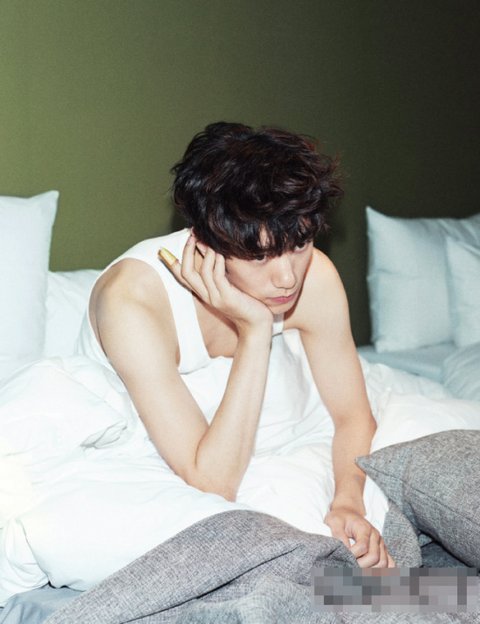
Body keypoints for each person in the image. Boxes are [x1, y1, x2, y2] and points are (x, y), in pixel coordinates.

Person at [77, 121, 394, 568]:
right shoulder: (132, 303)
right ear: (205, 243)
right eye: (259, 256)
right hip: (153, 453)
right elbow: (213, 483)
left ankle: (434, 597)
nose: (287, 278)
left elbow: (353, 415)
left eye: (300, 243)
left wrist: (348, 503)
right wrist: (255, 330)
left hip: (277, 433)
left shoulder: (315, 276)